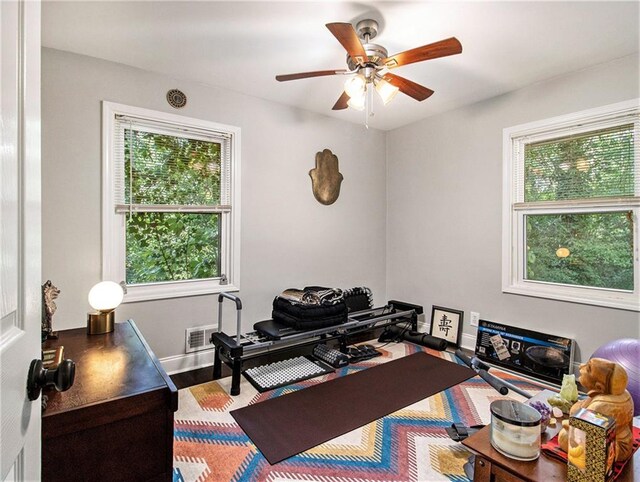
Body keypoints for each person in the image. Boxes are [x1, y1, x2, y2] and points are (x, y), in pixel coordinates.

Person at [558, 357, 634, 462]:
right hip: (627, 441)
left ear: (599, 387)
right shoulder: (625, 394)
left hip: (612, 449)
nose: (581, 366)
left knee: (563, 436)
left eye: (588, 368)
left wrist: (567, 424)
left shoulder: (600, 406)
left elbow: (580, 429)